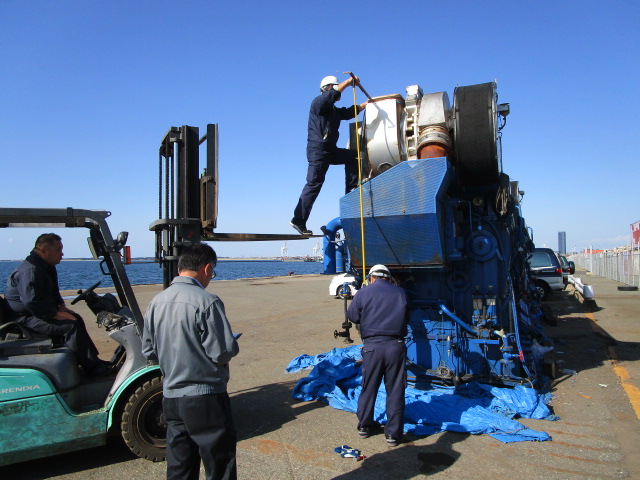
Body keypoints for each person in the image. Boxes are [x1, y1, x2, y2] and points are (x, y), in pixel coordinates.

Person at [142, 243, 239, 480]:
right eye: (212, 271)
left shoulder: (156, 302)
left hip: (171, 397)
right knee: (219, 465)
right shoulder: (207, 301)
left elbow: (148, 350)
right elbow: (222, 352)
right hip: (205, 396)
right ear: (206, 268)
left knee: (180, 467)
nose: (211, 277)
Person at [4, 233, 108, 374]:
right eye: (58, 250)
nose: (62, 253)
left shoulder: (46, 266)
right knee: (70, 327)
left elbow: (52, 291)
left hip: (36, 313)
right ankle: (93, 368)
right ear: (43, 250)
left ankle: (91, 360)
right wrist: (53, 314)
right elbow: (31, 301)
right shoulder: (31, 270)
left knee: (75, 318)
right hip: (24, 318)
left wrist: (60, 307)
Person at [290, 74, 368, 235]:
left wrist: (364, 105)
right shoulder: (318, 103)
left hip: (330, 151)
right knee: (313, 184)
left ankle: (351, 191)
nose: (336, 92)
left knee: (353, 156)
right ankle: (298, 220)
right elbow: (332, 95)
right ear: (328, 88)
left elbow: (346, 113)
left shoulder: (332, 110)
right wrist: (347, 82)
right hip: (318, 151)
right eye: (334, 88)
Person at [346, 264, 408, 447]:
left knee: (368, 387)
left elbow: (353, 316)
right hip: (395, 346)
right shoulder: (400, 293)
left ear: (371, 277)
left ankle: (364, 426)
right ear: (388, 278)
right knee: (395, 390)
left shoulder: (363, 293)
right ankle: (393, 435)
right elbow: (407, 318)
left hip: (372, 347)